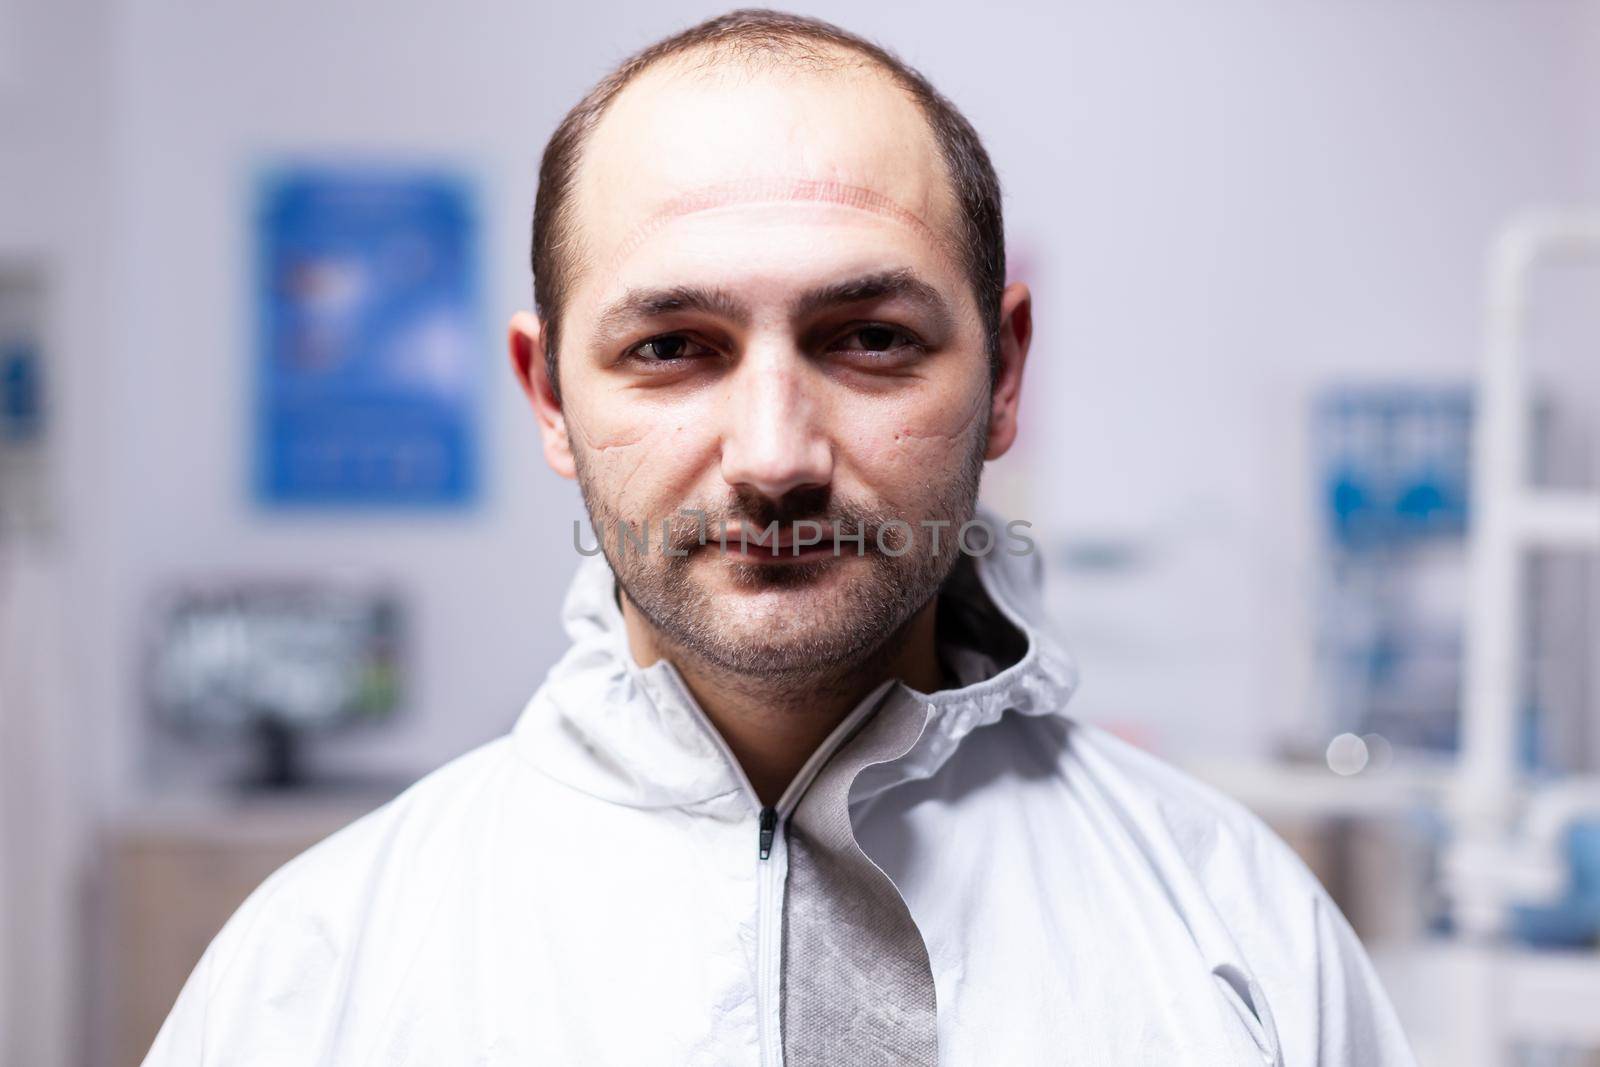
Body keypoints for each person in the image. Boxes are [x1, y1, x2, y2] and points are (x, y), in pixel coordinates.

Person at [144, 9, 1416, 1065]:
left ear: (1004, 372)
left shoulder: (1237, 931)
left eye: (869, 338)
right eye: (670, 349)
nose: (773, 456)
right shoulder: (311, 976)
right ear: (549, 398)